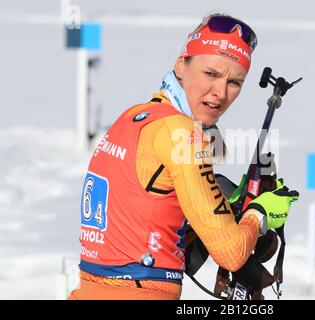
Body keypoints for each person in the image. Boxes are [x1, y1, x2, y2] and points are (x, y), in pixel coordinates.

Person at [68, 12, 299, 300]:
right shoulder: (184, 134)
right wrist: (260, 212)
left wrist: (228, 208)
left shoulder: (133, 116)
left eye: (235, 82)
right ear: (181, 65)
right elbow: (231, 253)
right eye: (210, 74)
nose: (219, 93)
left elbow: (145, 215)